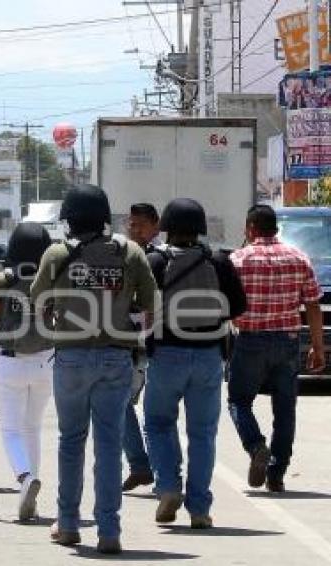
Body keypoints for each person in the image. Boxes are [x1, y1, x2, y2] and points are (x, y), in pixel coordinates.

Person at [30, 185, 157, 555]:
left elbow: (37, 302)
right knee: (108, 444)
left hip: (70, 357)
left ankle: (68, 524)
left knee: (71, 441)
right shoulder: (129, 252)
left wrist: (56, 318)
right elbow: (149, 309)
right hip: (116, 358)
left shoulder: (56, 253)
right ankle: (109, 530)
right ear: (104, 217)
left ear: (69, 219)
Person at [143, 198, 247, 529]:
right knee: (203, 433)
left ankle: (169, 487)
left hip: (166, 354)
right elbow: (237, 307)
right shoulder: (219, 261)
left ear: (167, 228)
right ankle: (199, 508)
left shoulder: (155, 261)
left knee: (158, 423)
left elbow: (139, 306)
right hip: (208, 356)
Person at [228, 205, 325, 493]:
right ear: (276, 228)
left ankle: (256, 445)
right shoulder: (299, 257)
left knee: (238, 401)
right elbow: (313, 305)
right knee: (285, 410)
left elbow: (226, 303)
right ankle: (276, 474)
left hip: (250, 340)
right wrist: (317, 347)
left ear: (250, 228)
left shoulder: (238, 260)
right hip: (287, 341)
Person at [0, 222, 54, 521]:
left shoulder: (4, 278)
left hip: (10, 359)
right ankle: (31, 493)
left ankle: (25, 478)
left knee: (11, 429)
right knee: (33, 427)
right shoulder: (53, 276)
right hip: (46, 358)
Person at [122, 203, 162, 492]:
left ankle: (158, 472)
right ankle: (141, 466)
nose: (135, 230)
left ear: (155, 226)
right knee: (123, 403)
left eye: (141, 225)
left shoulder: (159, 258)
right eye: (131, 224)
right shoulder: (124, 255)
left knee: (155, 413)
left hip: (155, 344)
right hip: (130, 342)